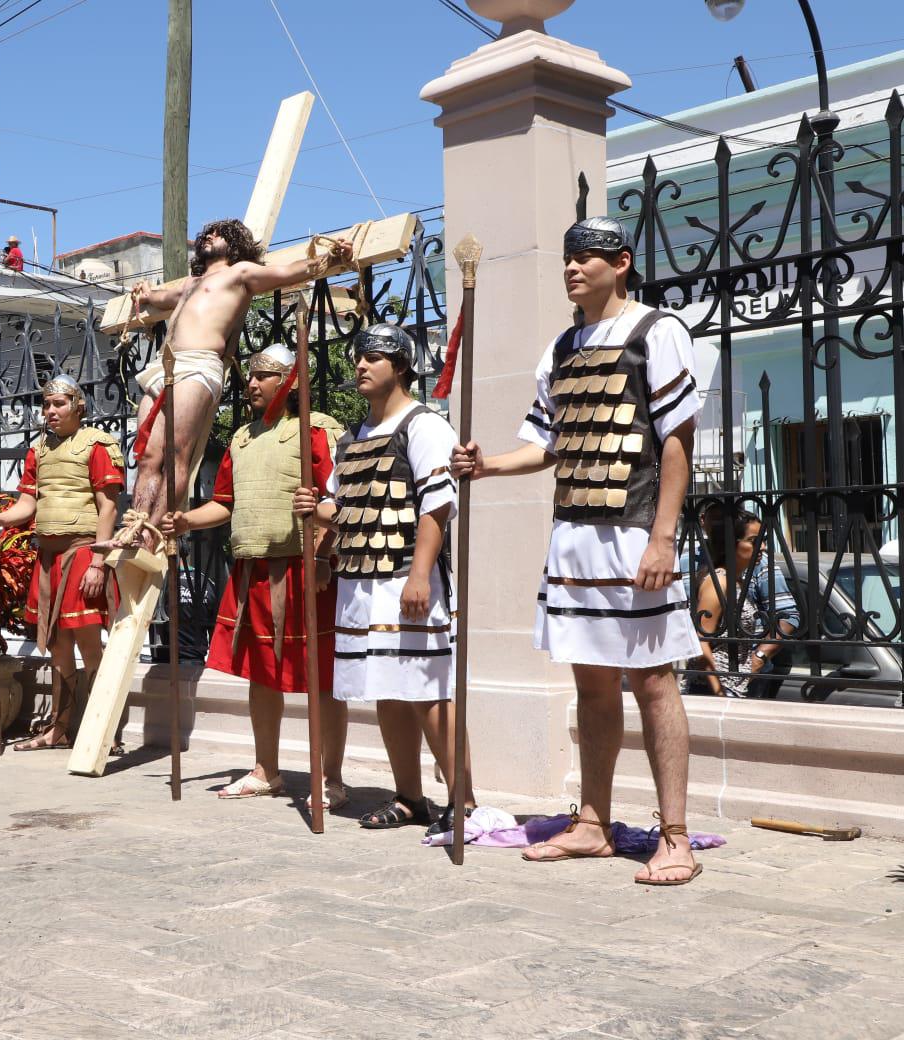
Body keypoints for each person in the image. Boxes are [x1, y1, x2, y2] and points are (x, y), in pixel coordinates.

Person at [451, 216, 703, 886]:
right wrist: (489, 466)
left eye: (585, 257)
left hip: (635, 530)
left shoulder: (658, 332)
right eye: (567, 258)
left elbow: (677, 442)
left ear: (620, 262)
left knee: (653, 680)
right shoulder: (561, 348)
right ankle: (592, 822)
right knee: (590, 683)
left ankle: (674, 834)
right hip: (575, 535)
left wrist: (664, 535)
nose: (571, 268)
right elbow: (550, 444)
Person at [296, 324, 477, 833]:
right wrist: (318, 509)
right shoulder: (352, 438)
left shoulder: (423, 426)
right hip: (360, 582)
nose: (359, 365)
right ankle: (410, 798)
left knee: (427, 690)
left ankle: (462, 802)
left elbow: (436, 507)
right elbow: (347, 508)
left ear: (399, 365)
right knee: (388, 692)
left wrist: (421, 574)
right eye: (357, 357)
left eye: (372, 357)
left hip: (405, 580)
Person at [162, 345, 350, 806]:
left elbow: (336, 500)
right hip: (253, 573)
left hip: (306, 571)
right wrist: (186, 520)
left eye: (264, 376)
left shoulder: (317, 431)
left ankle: (331, 778)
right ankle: (266, 770)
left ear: (288, 381)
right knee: (262, 676)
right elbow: (224, 503)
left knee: (322, 677)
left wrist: (324, 556)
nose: (252, 383)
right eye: (250, 375)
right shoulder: (242, 439)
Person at [116, 220, 352, 547]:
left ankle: (150, 535)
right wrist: (144, 292)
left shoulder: (240, 273)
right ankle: (134, 526)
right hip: (163, 366)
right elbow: (157, 297)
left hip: (199, 364)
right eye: (206, 234)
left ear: (235, 242)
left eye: (218, 233)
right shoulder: (190, 283)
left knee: (176, 454)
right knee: (147, 456)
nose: (209, 236)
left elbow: (292, 271)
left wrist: (333, 258)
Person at [0, 374, 123, 752]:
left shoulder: (98, 445)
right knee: (58, 646)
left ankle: (100, 731)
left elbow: (108, 506)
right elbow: (28, 505)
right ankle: (59, 730)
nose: (50, 411)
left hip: (82, 553)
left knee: (90, 644)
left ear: (78, 406)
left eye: (58, 404)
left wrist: (99, 561)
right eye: (46, 405)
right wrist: (1, 518)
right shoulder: (38, 449)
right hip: (49, 557)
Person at [682, 509, 768, 698]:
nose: (762, 547)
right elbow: (700, 640)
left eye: (764, 540)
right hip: (715, 689)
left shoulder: (737, 580)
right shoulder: (719, 582)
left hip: (735, 685)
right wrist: (719, 692)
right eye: (754, 541)